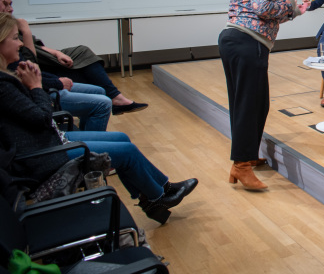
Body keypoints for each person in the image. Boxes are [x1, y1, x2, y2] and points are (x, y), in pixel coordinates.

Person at [0, 13, 197, 224]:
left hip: (47, 142)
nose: (20, 43)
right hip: (42, 155)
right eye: (14, 38)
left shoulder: (7, 76)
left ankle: (161, 190)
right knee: (127, 151)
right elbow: (41, 118)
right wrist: (36, 87)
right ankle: (156, 198)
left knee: (121, 137)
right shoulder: (3, 85)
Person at [218, 0, 308, 191]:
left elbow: (267, 15)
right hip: (246, 44)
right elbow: (263, 8)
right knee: (250, 105)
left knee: (254, 104)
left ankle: (246, 156)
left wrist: (296, 9)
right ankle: (241, 166)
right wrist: (290, 4)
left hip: (240, 41)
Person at [0, 0, 147, 114]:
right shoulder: (9, 31)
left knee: (83, 54)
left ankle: (113, 99)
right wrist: (25, 31)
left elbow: (35, 47)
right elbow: (30, 63)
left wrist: (57, 53)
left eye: (10, 4)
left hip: (42, 63)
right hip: (41, 76)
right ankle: (113, 99)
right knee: (94, 86)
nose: (11, 8)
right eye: (5, 4)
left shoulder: (11, 26)